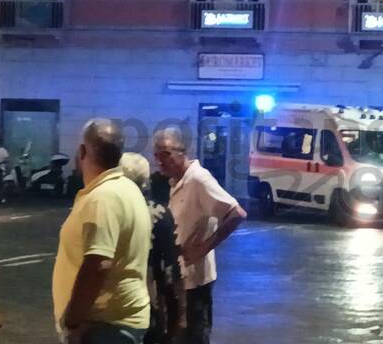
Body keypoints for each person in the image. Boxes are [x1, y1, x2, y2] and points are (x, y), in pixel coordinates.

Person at [52, 119, 152, 344]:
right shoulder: (127, 189)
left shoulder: (103, 198)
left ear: (82, 151)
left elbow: (98, 264)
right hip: (115, 324)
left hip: (104, 327)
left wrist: (72, 320)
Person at [153, 128, 247, 344]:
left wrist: (203, 248)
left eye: (165, 154)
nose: (159, 161)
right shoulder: (174, 181)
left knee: (194, 336)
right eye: (156, 155)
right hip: (179, 281)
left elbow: (237, 213)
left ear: (182, 151)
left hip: (195, 283)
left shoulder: (198, 179)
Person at [119, 153, 185, 344]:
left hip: (110, 311)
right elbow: (170, 271)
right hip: (148, 306)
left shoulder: (107, 209)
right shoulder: (160, 213)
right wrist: (177, 315)